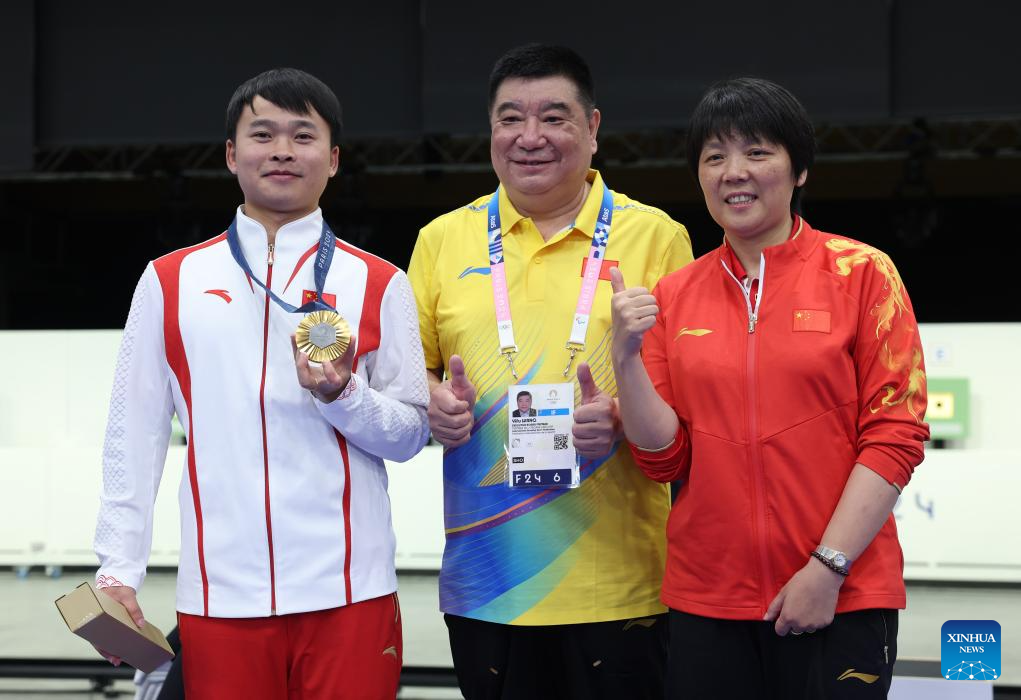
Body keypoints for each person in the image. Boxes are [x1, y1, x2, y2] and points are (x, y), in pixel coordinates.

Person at [93, 67, 430, 699]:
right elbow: (130, 438)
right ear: (231, 154)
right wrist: (117, 570)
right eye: (262, 134)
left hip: (350, 592)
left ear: (332, 159)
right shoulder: (169, 281)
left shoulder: (380, 282)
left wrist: (342, 396)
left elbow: (411, 433)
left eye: (303, 136)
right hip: (220, 594)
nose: (281, 150)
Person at [610, 77, 930, 699]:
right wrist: (625, 356)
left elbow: (895, 436)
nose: (735, 172)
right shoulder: (674, 295)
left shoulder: (862, 273)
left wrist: (828, 568)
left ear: (799, 169)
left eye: (757, 152)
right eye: (714, 157)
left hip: (843, 595)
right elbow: (663, 459)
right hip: (708, 602)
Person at [408, 44, 693, 700]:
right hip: (486, 582)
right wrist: (431, 401)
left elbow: (688, 400)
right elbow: (409, 374)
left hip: (620, 585)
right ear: (490, 132)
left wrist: (621, 417)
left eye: (553, 118)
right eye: (510, 119)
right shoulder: (441, 241)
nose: (529, 137)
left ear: (592, 128)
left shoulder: (657, 238)